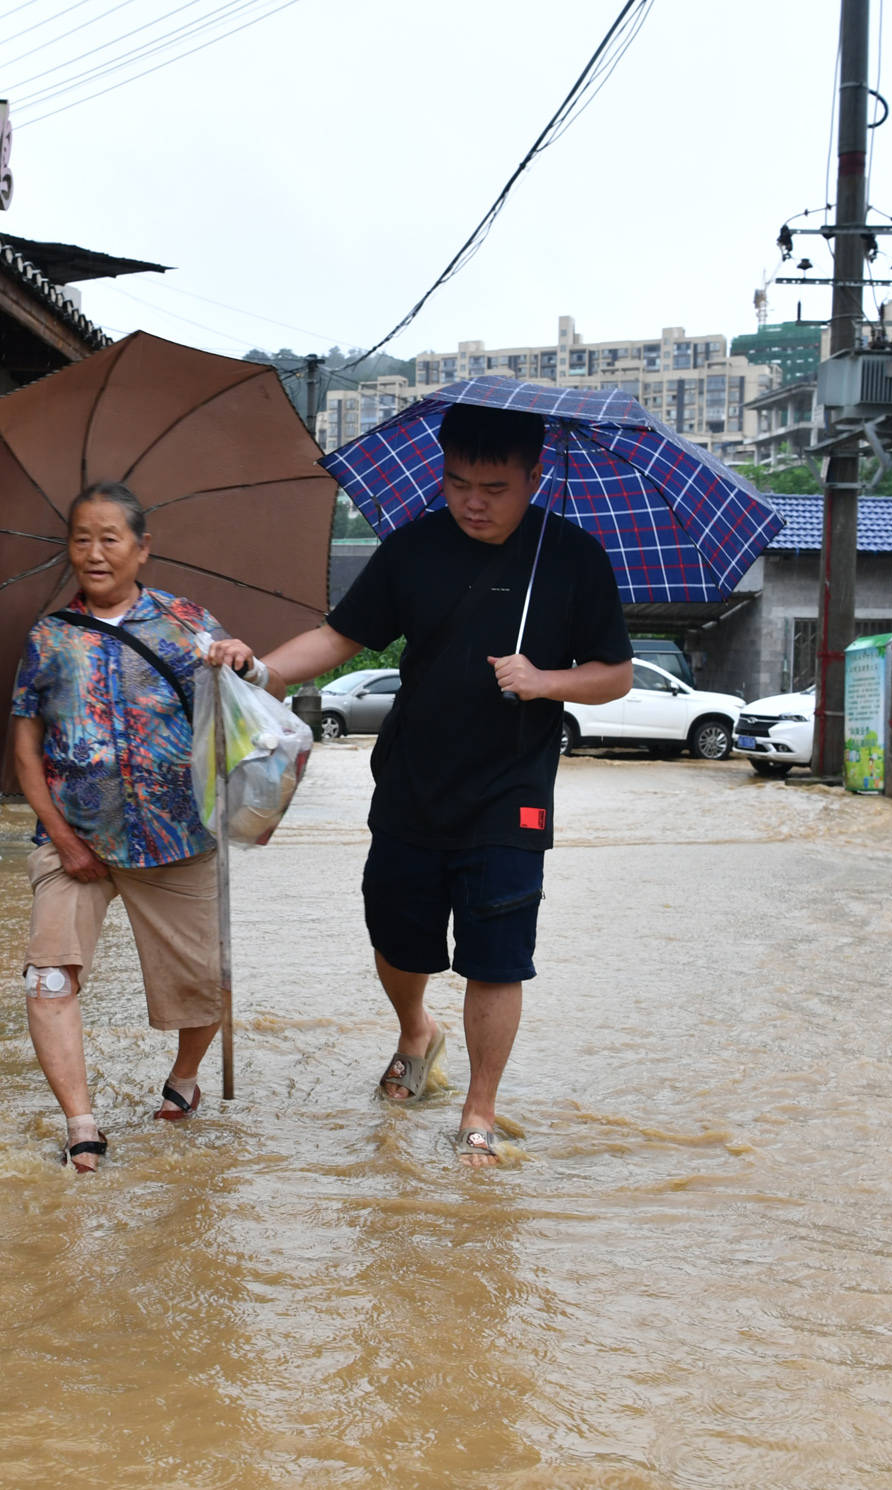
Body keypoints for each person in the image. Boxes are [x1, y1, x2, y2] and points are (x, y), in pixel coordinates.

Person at [214, 403, 634, 1166]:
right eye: (457, 482)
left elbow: (617, 675)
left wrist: (545, 681)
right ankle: (417, 1029)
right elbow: (341, 637)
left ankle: (478, 1108)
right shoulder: (411, 549)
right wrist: (263, 671)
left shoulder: (573, 558)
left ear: (534, 480)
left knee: (496, 954)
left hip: (512, 792)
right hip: (410, 781)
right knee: (395, 935)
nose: (472, 501)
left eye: (495, 487)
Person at [11, 481, 242, 1173]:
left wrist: (241, 665)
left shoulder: (188, 624)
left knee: (204, 983)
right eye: (81, 538)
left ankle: (184, 1076)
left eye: (110, 538)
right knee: (47, 978)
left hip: (177, 837)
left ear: (143, 548)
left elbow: (249, 704)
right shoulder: (48, 638)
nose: (94, 552)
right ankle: (82, 1125)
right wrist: (63, 836)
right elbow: (24, 749)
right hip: (74, 834)